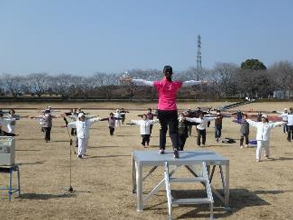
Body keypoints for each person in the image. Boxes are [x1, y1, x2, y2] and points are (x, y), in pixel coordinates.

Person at [122, 65, 207, 158]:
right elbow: (189, 83)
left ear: (163, 73)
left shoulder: (159, 84)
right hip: (172, 110)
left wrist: (131, 80)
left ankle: (162, 148)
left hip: (161, 111)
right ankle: (175, 148)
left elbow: (144, 82)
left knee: (163, 129)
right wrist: (201, 82)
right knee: (173, 131)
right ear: (172, 74)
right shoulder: (175, 84)